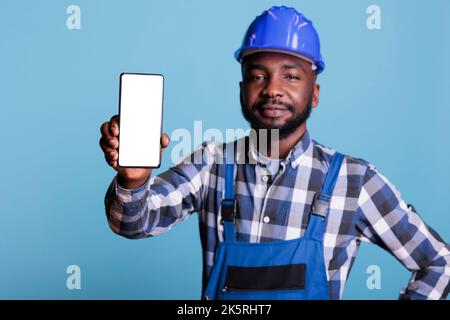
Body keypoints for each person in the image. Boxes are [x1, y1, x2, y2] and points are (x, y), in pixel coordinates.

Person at [99, 6, 449, 300]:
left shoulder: (354, 181)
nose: (273, 90)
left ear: (315, 94)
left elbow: (439, 264)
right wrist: (134, 178)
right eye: (258, 76)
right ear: (242, 90)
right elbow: (132, 223)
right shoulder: (211, 165)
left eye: (291, 77)